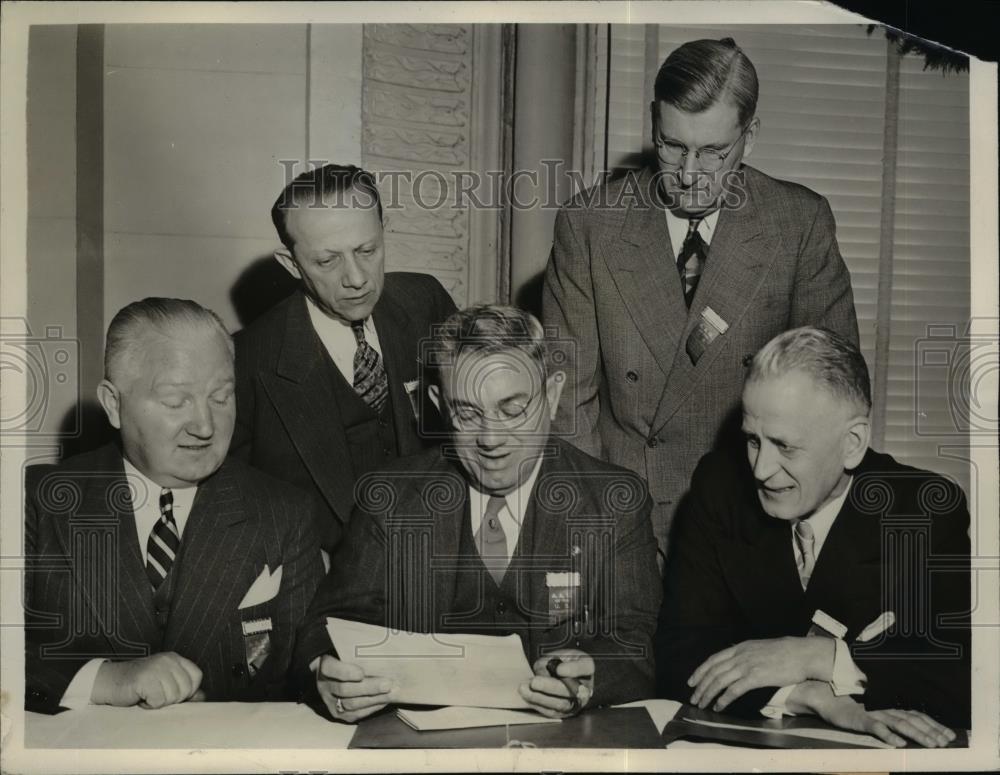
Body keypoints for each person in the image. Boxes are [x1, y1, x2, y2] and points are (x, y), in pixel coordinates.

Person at [542, 37, 859, 562]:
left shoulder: (798, 225)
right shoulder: (590, 224)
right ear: (652, 125)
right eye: (672, 146)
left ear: (749, 137)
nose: (689, 175)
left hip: (753, 520)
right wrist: (598, 528)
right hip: (623, 518)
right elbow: (568, 402)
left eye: (713, 152)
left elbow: (833, 397)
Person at [293, 305, 661, 722]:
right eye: (467, 413)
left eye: (512, 409)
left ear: (553, 396)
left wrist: (590, 678)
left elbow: (636, 647)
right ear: (438, 404)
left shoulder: (614, 501)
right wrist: (324, 673)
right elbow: (327, 627)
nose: (490, 438)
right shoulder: (390, 498)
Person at [656, 327, 970, 747]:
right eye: (753, 440)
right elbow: (679, 657)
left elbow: (962, 678)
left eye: (785, 446)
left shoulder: (923, 512)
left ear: (852, 444)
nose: (761, 469)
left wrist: (818, 656)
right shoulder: (718, 488)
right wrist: (807, 696)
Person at [24, 298, 325, 714]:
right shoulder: (34, 502)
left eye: (221, 397)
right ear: (114, 404)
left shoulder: (286, 514)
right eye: (175, 401)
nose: (205, 426)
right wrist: (104, 679)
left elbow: (303, 673)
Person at [232, 164, 457, 552]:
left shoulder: (426, 302)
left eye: (367, 250)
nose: (356, 278)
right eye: (327, 261)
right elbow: (233, 498)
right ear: (291, 264)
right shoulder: (248, 358)